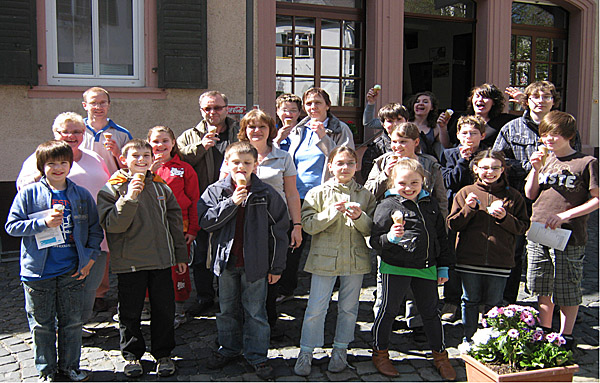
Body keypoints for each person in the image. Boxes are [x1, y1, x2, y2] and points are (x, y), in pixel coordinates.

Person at [6, 140, 102, 382]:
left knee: (72, 322)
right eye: (51, 164)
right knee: (42, 325)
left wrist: (90, 259)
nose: (58, 168)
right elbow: (12, 226)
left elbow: (94, 230)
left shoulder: (80, 194)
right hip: (38, 272)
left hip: (72, 269)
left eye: (63, 163)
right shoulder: (29, 193)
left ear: (70, 165)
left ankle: (70, 367)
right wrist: (42, 224)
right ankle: (46, 370)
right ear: (42, 166)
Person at [198, 142, 289, 380]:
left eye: (247, 163)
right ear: (226, 164)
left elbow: (280, 231)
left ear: (255, 166)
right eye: (236, 162)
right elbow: (206, 222)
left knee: (255, 311)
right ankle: (228, 348)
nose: (241, 167)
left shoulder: (265, 194)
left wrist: (276, 266)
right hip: (226, 263)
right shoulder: (215, 191)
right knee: (227, 310)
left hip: (255, 265)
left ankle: (257, 354)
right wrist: (232, 203)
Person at [97, 139, 188, 378]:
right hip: (130, 263)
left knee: (164, 310)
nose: (141, 160)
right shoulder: (112, 188)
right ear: (124, 160)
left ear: (152, 159)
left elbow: (174, 223)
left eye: (146, 156)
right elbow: (113, 226)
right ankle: (132, 355)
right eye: (135, 156)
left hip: (161, 260)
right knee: (130, 313)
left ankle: (163, 353)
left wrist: (179, 254)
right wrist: (129, 197)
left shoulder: (161, 187)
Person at [15, 112, 110, 338]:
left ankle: (76, 325)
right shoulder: (38, 159)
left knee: (89, 286)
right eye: (64, 131)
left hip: (97, 234)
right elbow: (25, 193)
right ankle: (61, 331)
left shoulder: (94, 157)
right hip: (62, 238)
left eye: (77, 131)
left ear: (84, 132)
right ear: (55, 133)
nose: (70, 135)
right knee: (65, 286)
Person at [493, 80, 580, 304]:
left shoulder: (566, 128)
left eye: (547, 97)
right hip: (519, 197)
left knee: (556, 253)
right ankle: (508, 303)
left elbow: (575, 161)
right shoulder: (511, 128)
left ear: (554, 101)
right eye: (535, 97)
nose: (541, 101)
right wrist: (530, 167)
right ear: (527, 101)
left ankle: (560, 306)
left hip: (554, 199)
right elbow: (498, 158)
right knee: (514, 250)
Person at [369, 158, 455, 380]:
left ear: (423, 182)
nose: (408, 188)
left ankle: (440, 355)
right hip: (395, 267)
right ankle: (380, 353)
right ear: (392, 183)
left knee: (431, 313)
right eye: (402, 183)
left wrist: (443, 267)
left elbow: (441, 238)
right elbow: (375, 241)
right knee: (387, 311)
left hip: (426, 267)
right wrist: (390, 237)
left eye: (414, 183)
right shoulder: (387, 206)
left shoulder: (431, 205)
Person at [294, 147, 376, 376]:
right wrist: (331, 212)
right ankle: (306, 351)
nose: (345, 168)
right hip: (324, 259)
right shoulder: (317, 193)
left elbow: (372, 229)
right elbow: (308, 225)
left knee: (349, 308)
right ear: (330, 166)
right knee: (316, 307)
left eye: (350, 163)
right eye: (339, 163)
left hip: (355, 258)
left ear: (356, 166)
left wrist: (359, 217)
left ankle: (340, 349)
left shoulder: (365, 194)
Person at [220, 110, 302, 336]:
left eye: (262, 126)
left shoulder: (283, 156)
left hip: (273, 226)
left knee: (270, 278)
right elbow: (221, 189)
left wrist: (296, 225)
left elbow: (292, 193)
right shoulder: (234, 155)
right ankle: (238, 329)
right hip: (241, 224)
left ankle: (267, 326)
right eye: (251, 127)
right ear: (244, 130)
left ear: (270, 130)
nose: (256, 131)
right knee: (240, 278)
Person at [365, 122, 448, 340]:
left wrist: (442, 224)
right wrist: (386, 173)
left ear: (416, 143)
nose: (397, 146)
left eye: (403, 142)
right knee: (388, 282)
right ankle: (383, 324)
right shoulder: (382, 161)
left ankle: (417, 321)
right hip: (391, 229)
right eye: (394, 141)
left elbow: (440, 198)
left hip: (423, 229)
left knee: (419, 283)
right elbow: (368, 193)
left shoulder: (429, 164)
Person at [524, 111, 599, 351]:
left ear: (568, 135)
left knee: (567, 285)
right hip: (539, 230)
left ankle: (566, 334)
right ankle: (545, 329)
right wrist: (535, 169)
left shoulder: (586, 162)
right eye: (545, 134)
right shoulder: (544, 159)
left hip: (569, 234)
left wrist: (567, 215)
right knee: (541, 283)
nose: (548, 139)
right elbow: (530, 194)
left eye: (554, 134)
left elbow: (596, 199)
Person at [274, 87, 354, 303]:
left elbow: (345, 161)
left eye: (317, 103)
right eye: (309, 104)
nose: (313, 107)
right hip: (296, 194)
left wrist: (323, 138)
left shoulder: (339, 129)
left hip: (325, 195)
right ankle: (287, 287)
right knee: (294, 242)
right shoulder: (298, 128)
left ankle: (331, 287)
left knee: (326, 241)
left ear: (327, 105)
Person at [447, 150, 529, 349]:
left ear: (503, 170)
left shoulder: (513, 196)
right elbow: (453, 224)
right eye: (484, 167)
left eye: (495, 168)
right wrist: (469, 208)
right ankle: (469, 338)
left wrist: (504, 218)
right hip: (469, 258)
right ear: (475, 169)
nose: (489, 172)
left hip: (500, 259)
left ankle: (491, 339)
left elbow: (522, 227)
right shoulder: (465, 193)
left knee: (494, 302)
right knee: (469, 300)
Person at [177, 90, 240, 315]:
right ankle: (205, 296)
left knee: (231, 249)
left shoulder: (239, 131)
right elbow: (179, 161)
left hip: (234, 199)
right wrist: (200, 147)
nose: (212, 112)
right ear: (201, 110)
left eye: (218, 108)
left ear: (226, 108)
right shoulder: (189, 135)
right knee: (201, 252)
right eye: (208, 108)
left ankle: (229, 296)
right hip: (202, 201)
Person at [80, 87, 132, 313]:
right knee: (82, 241)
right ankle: (81, 289)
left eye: (102, 102)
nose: (98, 107)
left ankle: (101, 292)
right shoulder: (76, 130)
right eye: (93, 103)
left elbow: (131, 165)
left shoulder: (121, 133)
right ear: (85, 105)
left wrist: (118, 152)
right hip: (81, 194)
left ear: (109, 105)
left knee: (107, 245)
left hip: (112, 194)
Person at [148, 126, 200, 329]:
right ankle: (149, 305)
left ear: (173, 143)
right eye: (155, 141)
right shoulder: (143, 168)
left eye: (165, 141)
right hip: (150, 229)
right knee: (151, 267)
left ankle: (179, 308)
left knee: (179, 268)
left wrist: (193, 229)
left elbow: (195, 199)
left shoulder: (185, 168)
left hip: (180, 228)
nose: (160, 145)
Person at [439, 115, 488, 321]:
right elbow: (449, 181)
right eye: (465, 133)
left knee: (479, 253)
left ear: (482, 136)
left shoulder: (487, 156)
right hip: (456, 211)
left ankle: (479, 301)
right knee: (453, 253)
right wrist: (463, 160)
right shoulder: (449, 154)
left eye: (474, 133)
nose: (469, 137)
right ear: (457, 135)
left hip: (481, 213)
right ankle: (451, 299)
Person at [444, 83, 518, 147]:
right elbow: (447, 145)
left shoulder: (504, 120)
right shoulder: (461, 118)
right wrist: (442, 127)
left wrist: (523, 102)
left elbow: (527, 121)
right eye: (477, 96)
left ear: (494, 102)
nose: (480, 99)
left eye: (485, 97)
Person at [360, 86, 410, 180]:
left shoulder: (418, 141)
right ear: (383, 124)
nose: (395, 124)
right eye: (390, 121)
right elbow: (368, 179)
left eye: (399, 119)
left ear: (407, 121)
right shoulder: (376, 147)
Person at [407, 91, 449, 160]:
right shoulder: (406, 123)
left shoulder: (435, 128)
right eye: (417, 101)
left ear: (432, 107)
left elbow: (446, 145)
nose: (420, 103)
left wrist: (443, 128)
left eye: (425, 102)